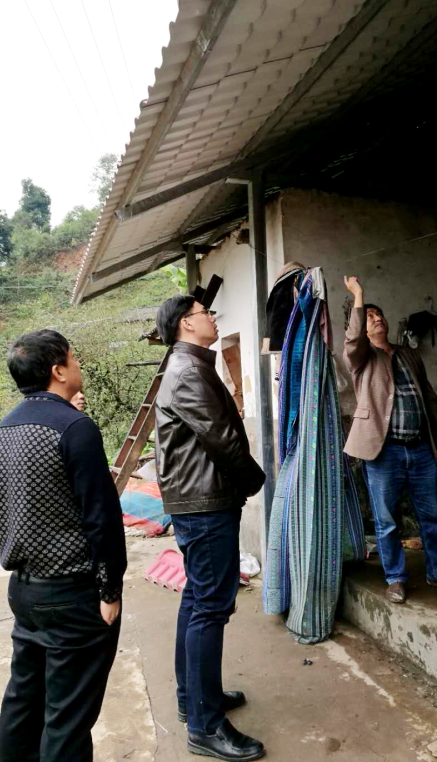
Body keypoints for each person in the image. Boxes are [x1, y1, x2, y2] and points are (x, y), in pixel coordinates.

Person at [0, 329, 127, 762]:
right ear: (58, 370)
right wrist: (110, 590)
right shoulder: (75, 427)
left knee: (24, 703)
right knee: (67, 718)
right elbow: (102, 518)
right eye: (73, 357)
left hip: (24, 593)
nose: (78, 364)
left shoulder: (4, 429)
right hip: (72, 596)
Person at [155, 295, 266, 761]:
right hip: (203, 504)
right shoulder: (188, 371)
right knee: (210, 608)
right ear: (186, 323)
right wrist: (255, 479)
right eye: (206, 313)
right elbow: (221, 438)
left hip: (200, 500)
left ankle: (195, 698)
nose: (212, 319)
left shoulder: (191, 365)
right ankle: (205, 726)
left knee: (198, 600)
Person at [343, 277, 437, 605]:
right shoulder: (361, 357)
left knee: (432, 516)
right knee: (387, 520)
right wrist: (359, 296)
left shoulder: (409, 355)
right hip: (383, 451)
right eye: (370, 316)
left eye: (379, 314)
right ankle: (396, 578)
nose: (378, 318)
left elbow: (429, 398)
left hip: (419, 449)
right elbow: (353, 339)